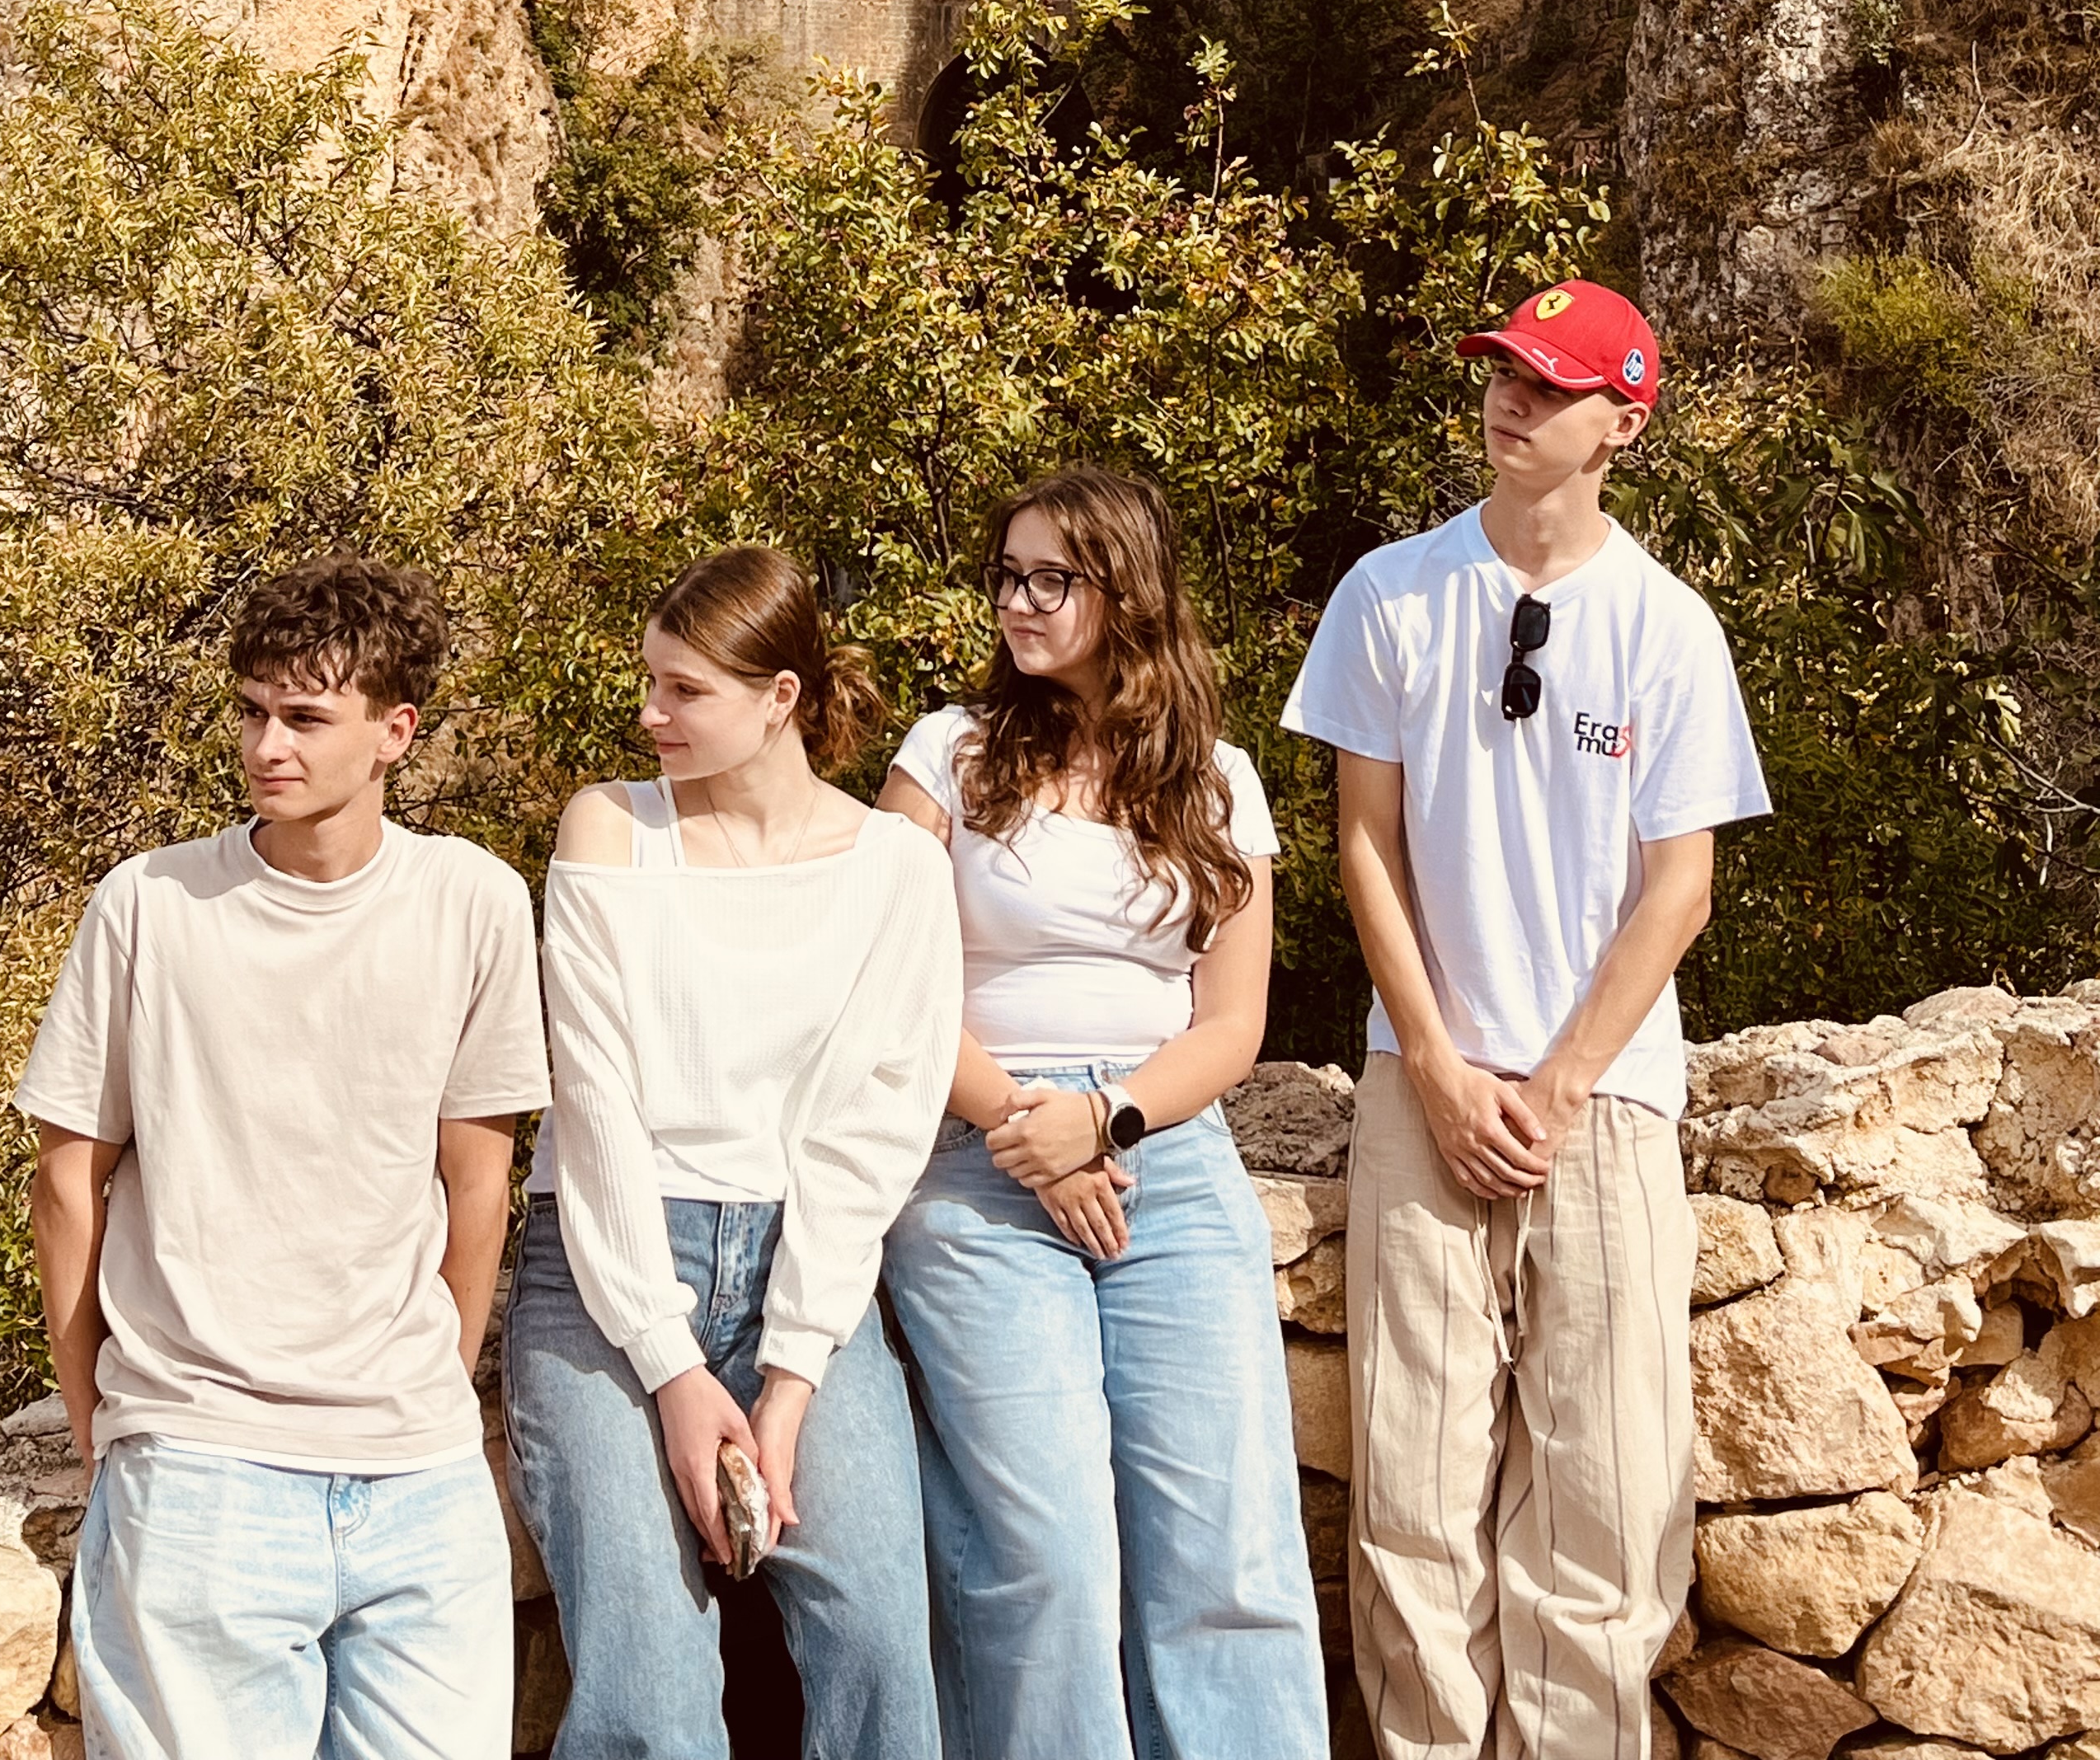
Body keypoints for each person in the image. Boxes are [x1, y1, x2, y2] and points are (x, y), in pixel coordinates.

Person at [1281, 279, 1772, 1760]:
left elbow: (1678, 889)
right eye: (1504, 370)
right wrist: (1436, 1065)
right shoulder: (1391, 594)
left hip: (1604, 1100)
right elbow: (1364, 845)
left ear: (1624, 422)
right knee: (1415, 1502)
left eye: (1552, 384)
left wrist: (1558, 1086)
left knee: (1604, 1504)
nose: (1513, 398)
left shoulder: (1668, 627)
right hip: (1421, 1083)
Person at [17, 550, 548, 1760]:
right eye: (253, 711)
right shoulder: (149, 903)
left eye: (305, 718)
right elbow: (66, 1180)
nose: (267, 746)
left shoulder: (473, 899)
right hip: (200, 1468)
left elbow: (480, 1182)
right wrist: (105, 1419)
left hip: (420, 1479)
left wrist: (431, 1385)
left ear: (394, 733)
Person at [880, 462, 1327, 1760]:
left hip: (1164, 1161)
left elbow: (1230, 1028)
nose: (1018, 602)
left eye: (1050, 579)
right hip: (980, 1156)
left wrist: (1106, 1121)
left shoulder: (1219, 781)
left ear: (1125, 592)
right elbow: (881, 981)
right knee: (1047, 1554)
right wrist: (1031, 1130)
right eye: (1007, 576)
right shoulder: (945, 756)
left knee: (1227, 1551)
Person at [505, 544, 961, 1760]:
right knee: (651, 1683)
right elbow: (595, 1109)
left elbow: (875, 1134)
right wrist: (672, 1368)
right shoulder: (612, 829)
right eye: (650, 683)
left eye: (685, 690)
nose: (650, 714)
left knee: (879, 1639)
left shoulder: (898, 869)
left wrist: (792, 1378)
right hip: (605, 1274)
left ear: (780, 697)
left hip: (802, 1268)